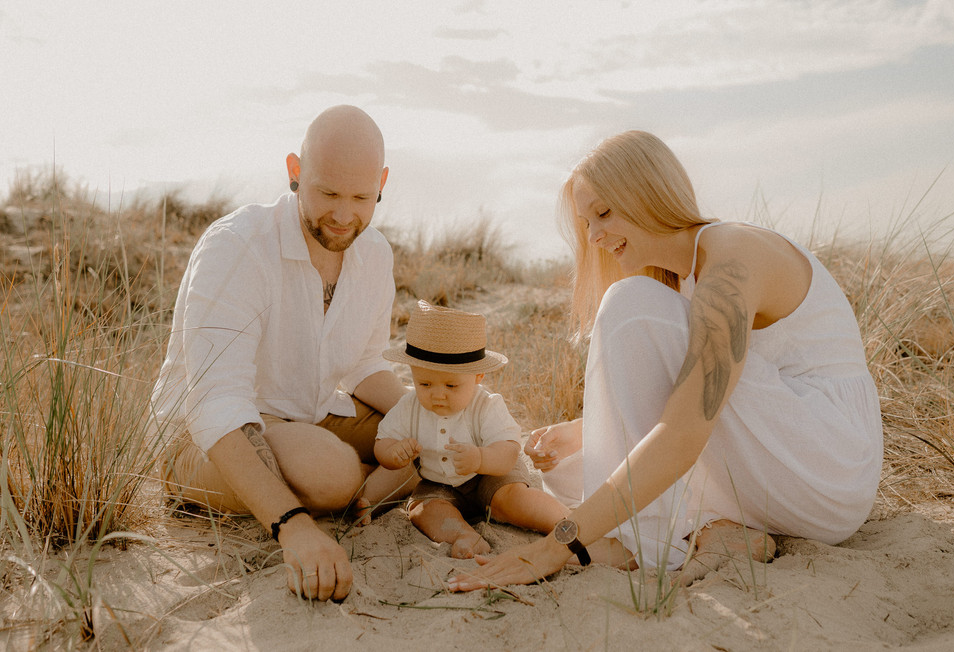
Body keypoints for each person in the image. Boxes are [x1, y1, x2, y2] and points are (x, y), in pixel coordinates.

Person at [447, 130, 883, 591]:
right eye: (586, 222)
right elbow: (715, 397)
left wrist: (554, 548)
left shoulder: (732, 258)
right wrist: (582, 430)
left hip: (829, 466)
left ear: (647, 193)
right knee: (574, 469)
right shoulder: (689, 277)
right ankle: (727, 534)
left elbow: (683, 431)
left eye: (603, 213)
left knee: (630, 304)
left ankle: (641, 542)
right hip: (802, 464)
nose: (594, 236)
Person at [151, 105, 415, 602]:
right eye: (328, 193)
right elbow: (216, 403)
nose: (343, 214)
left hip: (303, 417)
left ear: (381, 183)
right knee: (329, 471)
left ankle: (362, 489)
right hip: (197, 437)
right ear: (295, 172)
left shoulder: (374, 253)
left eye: (360, 197)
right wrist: (294, 527)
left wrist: (417, 417)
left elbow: (363, 363)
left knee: (428, 433)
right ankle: (347, 490)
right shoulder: (237, 245)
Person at [375, 301, 569, 558]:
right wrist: (392, 453)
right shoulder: (409, 406)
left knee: (511, 501)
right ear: (411, 373)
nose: (438, 395)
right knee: (423, 509)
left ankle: (566, 522)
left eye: (451, 386)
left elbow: (508, 452)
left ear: (478, 377)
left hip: (493, 475)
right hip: (439, 484)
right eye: (425, 383)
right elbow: (383, 441)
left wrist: (480, 458)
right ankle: (464, 535)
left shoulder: (486, 405)